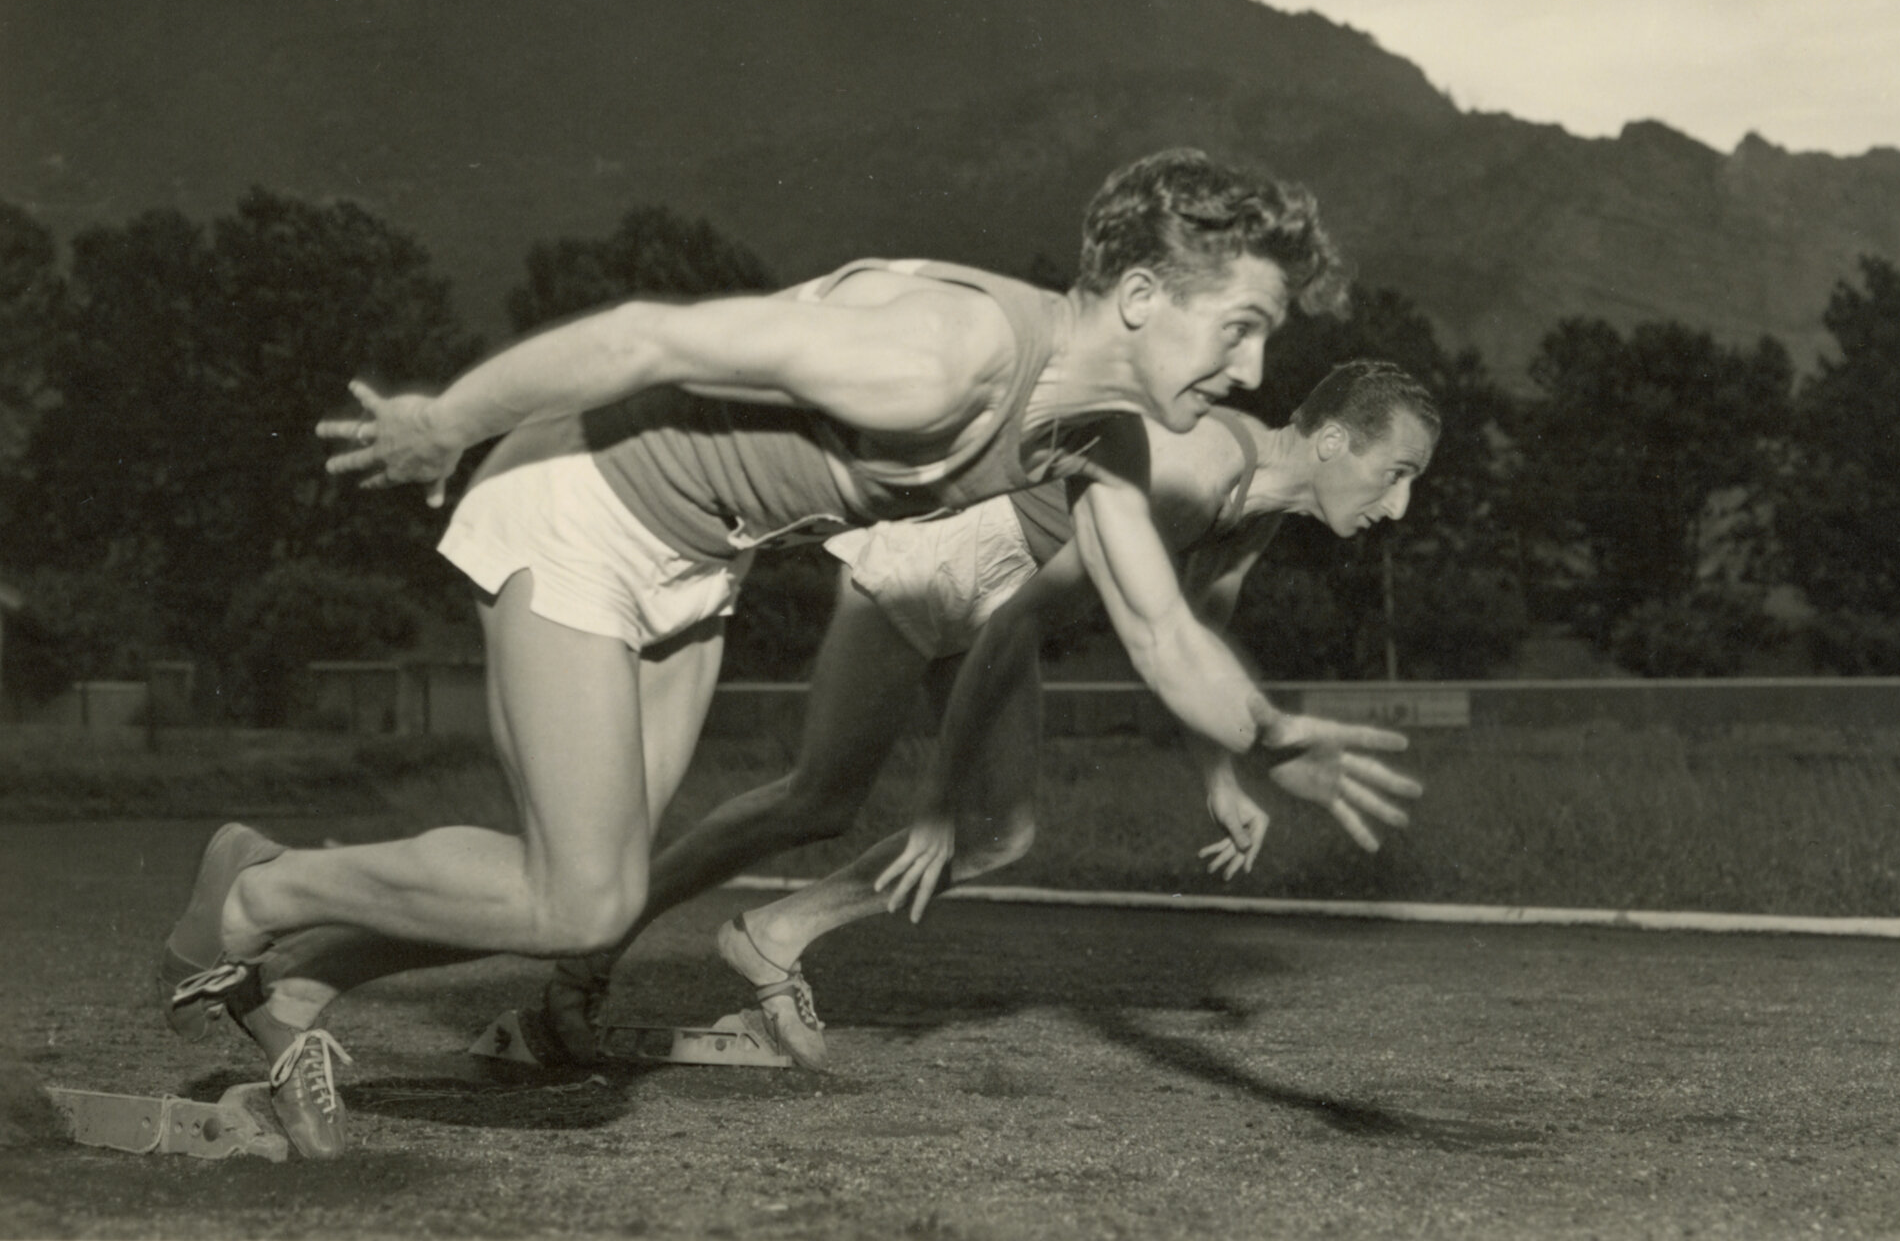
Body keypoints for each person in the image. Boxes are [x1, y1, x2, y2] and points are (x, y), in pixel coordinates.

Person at [155, 149, 1381, 1158]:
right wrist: (446, 421)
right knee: (584, 897)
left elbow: (1163, 631)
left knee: (583, 894)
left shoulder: (1101, 434)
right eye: (1241, 328)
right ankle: (259, 890)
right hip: (581, 506)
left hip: (694, 560)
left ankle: (301, 986)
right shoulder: (947, 358)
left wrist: (1270, 734)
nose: (1253, 370)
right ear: (1143, 297)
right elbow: (645, 337)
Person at [241, 360, 1437, 1077]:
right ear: (1332, 439)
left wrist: (1224, 777)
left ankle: (762, 937)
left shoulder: (1258, 504)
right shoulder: (1197, 467)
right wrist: (934, 803)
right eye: (1395, 473)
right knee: (823, 798)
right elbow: (1017, 626)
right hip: (939, 567)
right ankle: (586, 950)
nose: (1399, 505)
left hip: (998, 596)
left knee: (993, 830)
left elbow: (1196, 631)